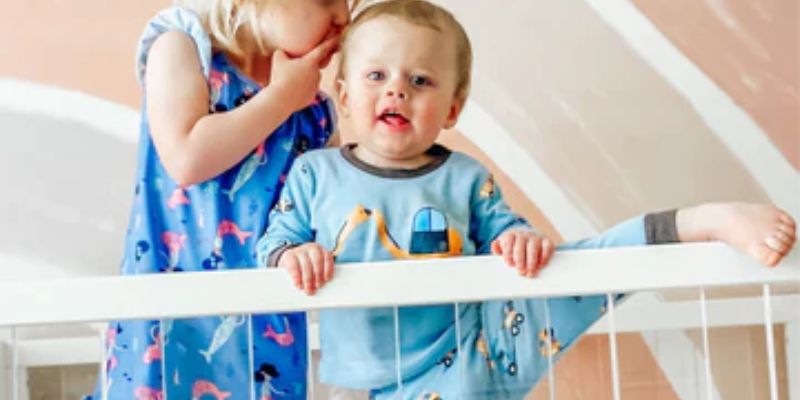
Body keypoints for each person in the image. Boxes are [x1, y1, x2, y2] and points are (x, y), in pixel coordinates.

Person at [256, 1, 797, 399]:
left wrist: (519, 241)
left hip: (473, 356)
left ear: (452, 109)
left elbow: (509, 234)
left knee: (585, 273)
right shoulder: (314, 174)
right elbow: (274, 242)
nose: (397, 90)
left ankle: (692, 223)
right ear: (346, 96)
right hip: (363, 383)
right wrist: (290, 255)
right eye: (377, 75)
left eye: (421, 80)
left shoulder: (463, 177)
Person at [87, 1, 357, 399]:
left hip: (267, 336)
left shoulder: (314, 112)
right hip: (168, 320)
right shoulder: (181, 47)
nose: (343, 19)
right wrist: (282, 97)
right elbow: (187, 158)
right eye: (326, 0)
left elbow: (335, 218)